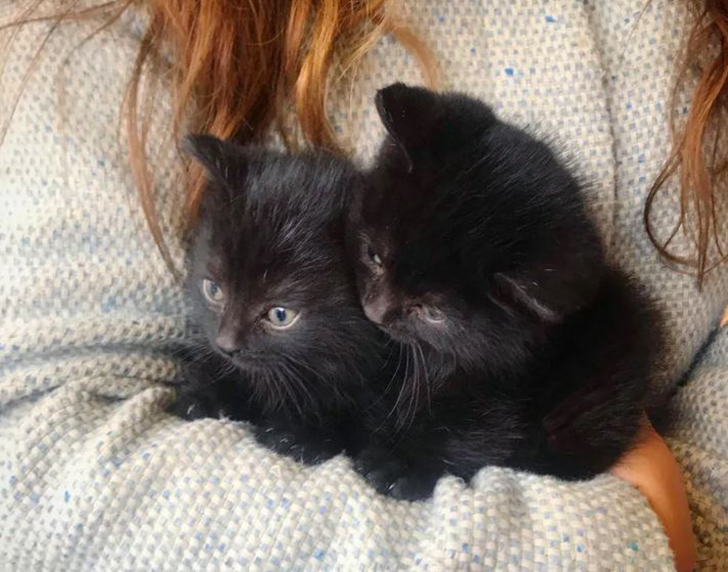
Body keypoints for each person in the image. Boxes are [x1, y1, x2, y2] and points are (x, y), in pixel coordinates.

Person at [1, 1, 725, 570]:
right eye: (370, 262)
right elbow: (34, 471)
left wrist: (695, 517)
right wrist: (633, 539)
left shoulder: (693, 30)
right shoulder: (111, 34)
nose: (375, 309)